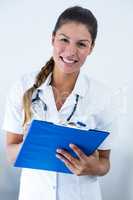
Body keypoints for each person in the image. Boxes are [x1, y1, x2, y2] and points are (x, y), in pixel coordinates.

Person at [2, 6, 117, 200]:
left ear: (91, 48)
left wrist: (92, 167)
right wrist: (30, 144)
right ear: (53, 38)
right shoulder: (22, 87)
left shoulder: (102, 96)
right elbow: (11, 155)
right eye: (64, 39)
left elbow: (105, 163)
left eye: (81, 44)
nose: (71, 51)